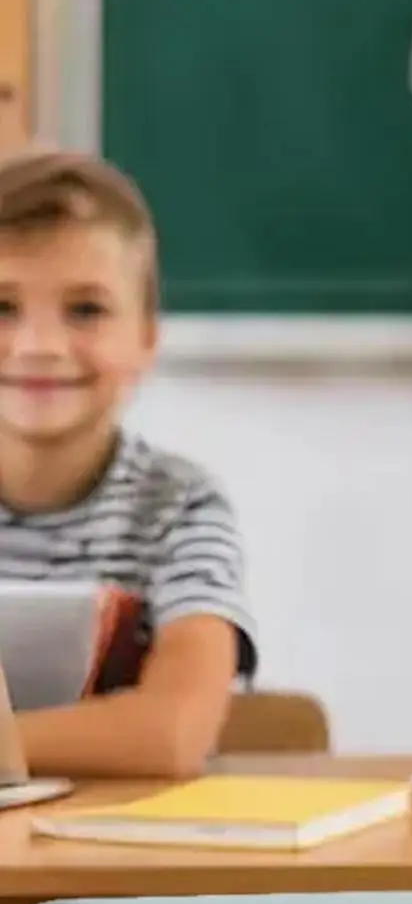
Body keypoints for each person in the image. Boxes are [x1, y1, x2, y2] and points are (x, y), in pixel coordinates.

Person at [0, 146, 256, 779]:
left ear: (146, 338)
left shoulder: (179, 505)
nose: (39, 347)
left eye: (86, 310)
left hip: (116, 871)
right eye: (1, 308)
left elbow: (174, 734)